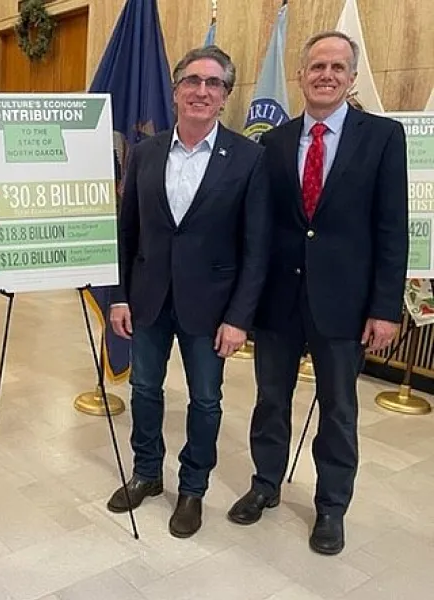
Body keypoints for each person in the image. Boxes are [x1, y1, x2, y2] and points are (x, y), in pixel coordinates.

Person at [228, 31, 408, 556]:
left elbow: (391, 228)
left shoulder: (382, 137)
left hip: (344, 304)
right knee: (270, 401)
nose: (325, 75)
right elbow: (263, 228)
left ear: (351, 79)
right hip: (279, 301)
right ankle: (266, 484)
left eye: (337, 68)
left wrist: (384, 307)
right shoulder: (275, 142)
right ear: (301, 76)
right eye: (316, 67)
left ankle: (331, 506)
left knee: (338, 410)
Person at [107, 46, 270, 538]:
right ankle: (147, 473)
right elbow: (126, 230)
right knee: (143, 389)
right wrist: (118, 295)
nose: (202, 91)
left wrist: (239, 317)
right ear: (176, 89)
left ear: (224, 96)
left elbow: (256, 246)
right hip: (148, 299)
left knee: (205, 401)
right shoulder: (147, 151)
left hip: (212, 307)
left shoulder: (249, 158)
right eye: (193, 81)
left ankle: (193, 487)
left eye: (214, 84)